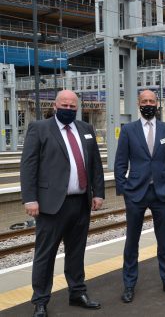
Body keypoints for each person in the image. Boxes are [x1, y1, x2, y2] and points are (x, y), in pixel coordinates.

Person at [20, 90, 105, 317]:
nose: (68, 108)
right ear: (55, 105)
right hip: (51, 205)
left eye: (72, 105)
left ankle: (77, 292)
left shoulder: (86, 129)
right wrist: (30, 198)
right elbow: (28, 166)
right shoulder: (39, 128)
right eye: (64, 105)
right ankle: (40, 301)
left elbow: (95, 164)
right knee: (45, 255)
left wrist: (99, 193)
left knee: (77, 252)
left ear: (77, 107)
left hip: (81, 202)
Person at [114, 90, 165, 303]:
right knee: (132, 241)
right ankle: (129, 284)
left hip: (162, 193)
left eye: (152, 101)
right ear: (138, 104)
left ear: (157, 103)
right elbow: (120, 163)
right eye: (145, 101)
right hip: (136, 193)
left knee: (164, 240)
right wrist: (124, 189)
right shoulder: (128, 130)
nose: (149, 104)